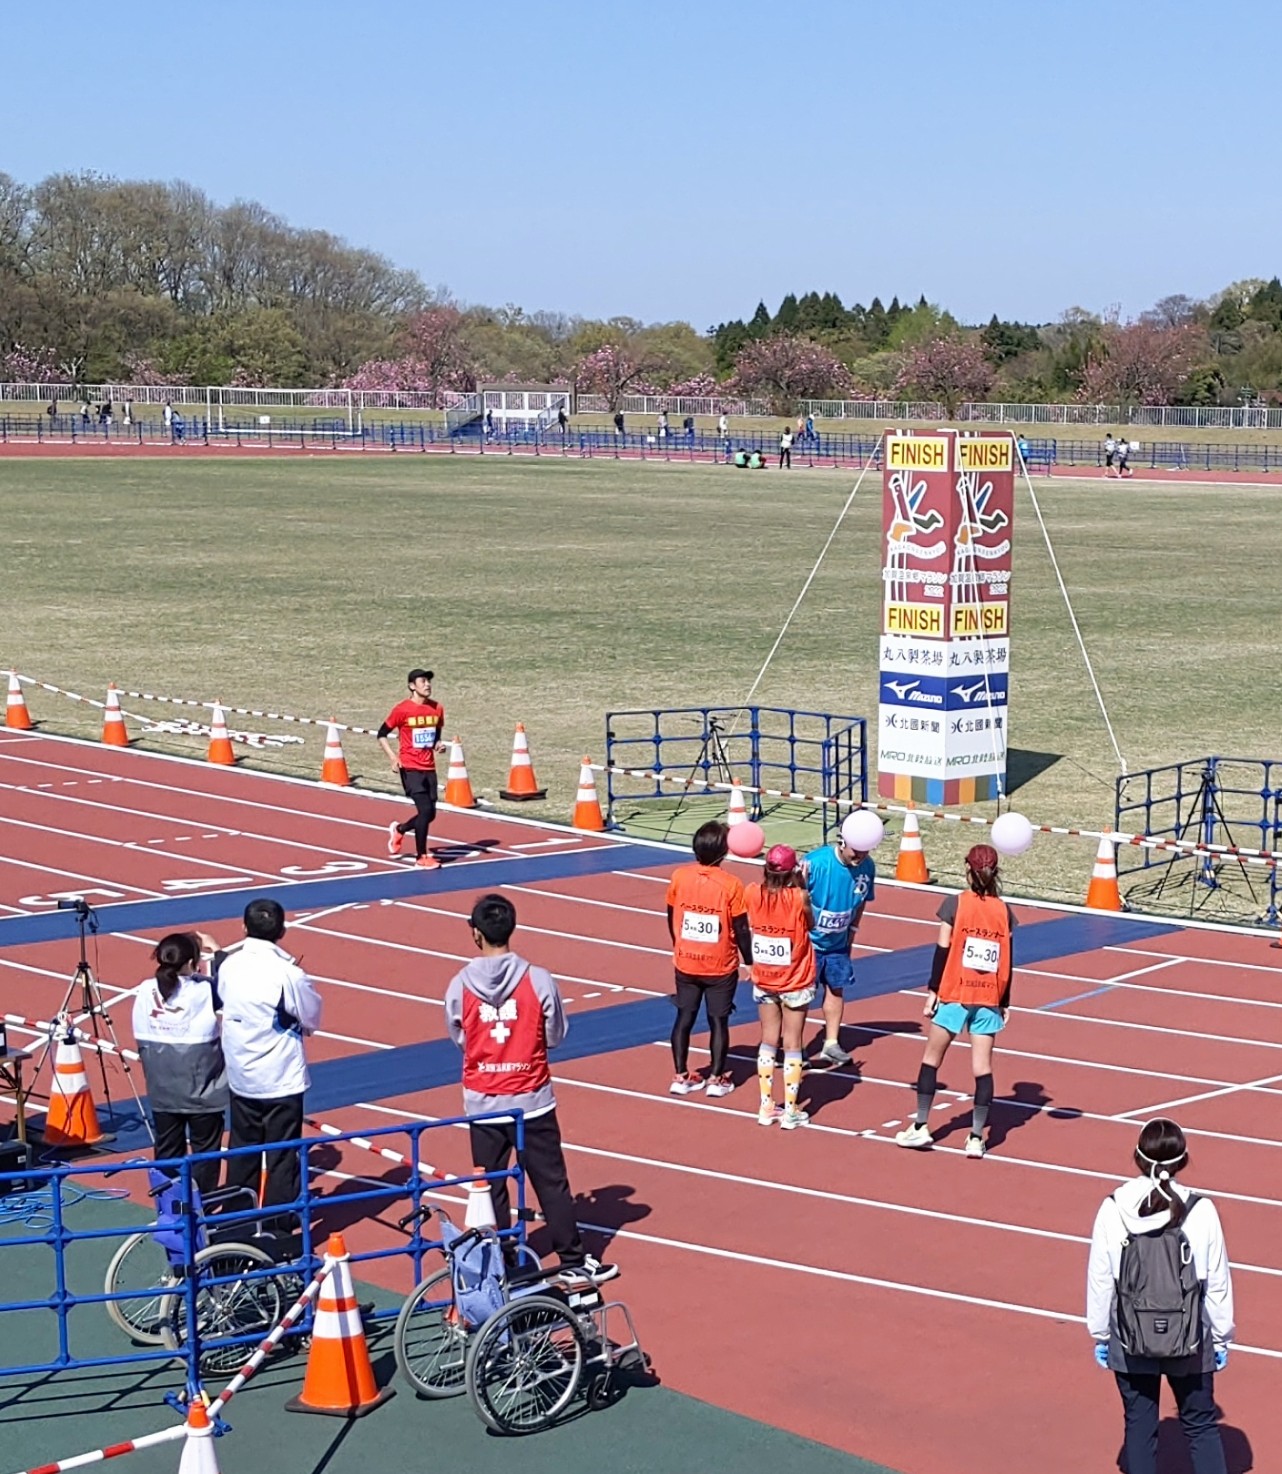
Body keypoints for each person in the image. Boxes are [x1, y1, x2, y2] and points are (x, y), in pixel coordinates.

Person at [445, 893, 617, 1283]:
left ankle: (502, 1263)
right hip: (532, 1100)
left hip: (483, 1101)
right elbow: (555, 1033)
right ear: (512, 928)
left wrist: (489, 1056)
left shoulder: (459, 985)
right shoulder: (537, 979)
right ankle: (572, 1262)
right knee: (551, 1182)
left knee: (491, 1186)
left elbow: (460, 1035)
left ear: (475, 933)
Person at [1086, 1118, 1234, 1474]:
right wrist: (1222, 1336)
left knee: (1139, 1425)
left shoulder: (1113, 1208)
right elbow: (1217, 1281)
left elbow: (1101, 1278)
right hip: (1191, 1334)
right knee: (1200, 1424)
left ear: (1137, 1158)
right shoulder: (1202, 1210)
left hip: (1130, 1332)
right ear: (1182, 1160)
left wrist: (1101, 1334)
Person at [896, 843, 1017, 1157]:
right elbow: (1008, 959)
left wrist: (932, 991)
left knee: (931, 1059)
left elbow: (942, 950)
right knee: (982, 1068)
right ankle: (976, 1137)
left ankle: (920, 1126)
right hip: (988, 997)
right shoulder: (1004, 911)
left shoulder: (955, 904)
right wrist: (1004, 1001)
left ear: (967, 870)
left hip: (955, 993)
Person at [216, 899, 322, 1221]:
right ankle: (277, 1228)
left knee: (242, 1152)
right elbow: (311, 1016)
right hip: (280, 1078)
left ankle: (235, 1223)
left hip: (241, 1075)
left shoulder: (229, 965)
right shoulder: (288, 974)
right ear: (282, 930)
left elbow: (224, 1000)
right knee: (281, 1157)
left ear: (243, 927)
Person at [132, 931, 227, 1196]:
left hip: (162, 1090)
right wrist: (217, 950)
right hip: (203, 1092)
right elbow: (230, 984)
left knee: (167, 1152)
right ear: (192, 962)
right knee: (205, 1153)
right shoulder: (204, 990)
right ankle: (200, 1206)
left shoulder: (145, 990)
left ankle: (172, 1207)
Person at [665, 820, 752, 1096]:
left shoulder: (679, 876)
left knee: (684, 1017)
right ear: (724, 851)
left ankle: (680, 1076)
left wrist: (678, 943)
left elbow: (671, 914)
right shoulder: (731, 884)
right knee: (718, 1021)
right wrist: (749, 961)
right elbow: (741, 927)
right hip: (719, 965)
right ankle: (715, 1079)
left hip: (686, 961)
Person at [746, 845, 815, 1129]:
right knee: (793, 1043)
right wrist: (802, 884)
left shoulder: (752, 892)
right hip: (795, 977)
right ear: (793, 871)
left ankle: (766, 1105)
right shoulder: (799, 897)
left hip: (765, 977)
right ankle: (790, 1110)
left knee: (768, 1039)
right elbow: (811, 924)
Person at [802, 812, 877, 1066]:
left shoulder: (867, 867)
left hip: (838, 944)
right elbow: (793, 898)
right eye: (856, 851)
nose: (860, 857)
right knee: (802, 995)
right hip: (807, 943)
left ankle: (831, 1043)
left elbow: (862, 902)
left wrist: (852, 933)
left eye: (865, 852)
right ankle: (795, 1046)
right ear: (842, 842)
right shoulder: (815, 863)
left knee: (836, 989)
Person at [379, 668, 446, 869]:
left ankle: (400, 829)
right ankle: (421, 857)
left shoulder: (437, 708)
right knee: (425, 810)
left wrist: (438, 744)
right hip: (410, 767)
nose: (428, 685)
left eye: (429, 681)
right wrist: (393, 757)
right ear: (412, 686)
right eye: (423, 681)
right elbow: (382, 734)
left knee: (430, 814)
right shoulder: (402, 710)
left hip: (429, 767)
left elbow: (436, 734)